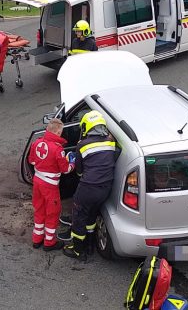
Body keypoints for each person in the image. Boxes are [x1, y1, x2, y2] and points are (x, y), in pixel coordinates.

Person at [62, 110, 118, 261]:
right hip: (105, 189)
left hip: (88, 188)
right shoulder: (111, 142)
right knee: (91, 215)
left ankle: (78, 251)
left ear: (87, 127)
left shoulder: (82, 145)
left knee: (79, 217)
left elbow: (79, 172)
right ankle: (91, 245)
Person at [28, 118, 76, 251]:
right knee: (52, 213)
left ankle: (37, 239)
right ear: (58, 132)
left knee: (39, 210)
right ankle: (49, 243)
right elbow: (66, 169)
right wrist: (72, 162)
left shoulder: (36, 143)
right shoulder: (58, 149)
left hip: (37, 181)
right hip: (50, 185)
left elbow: (32, 161)